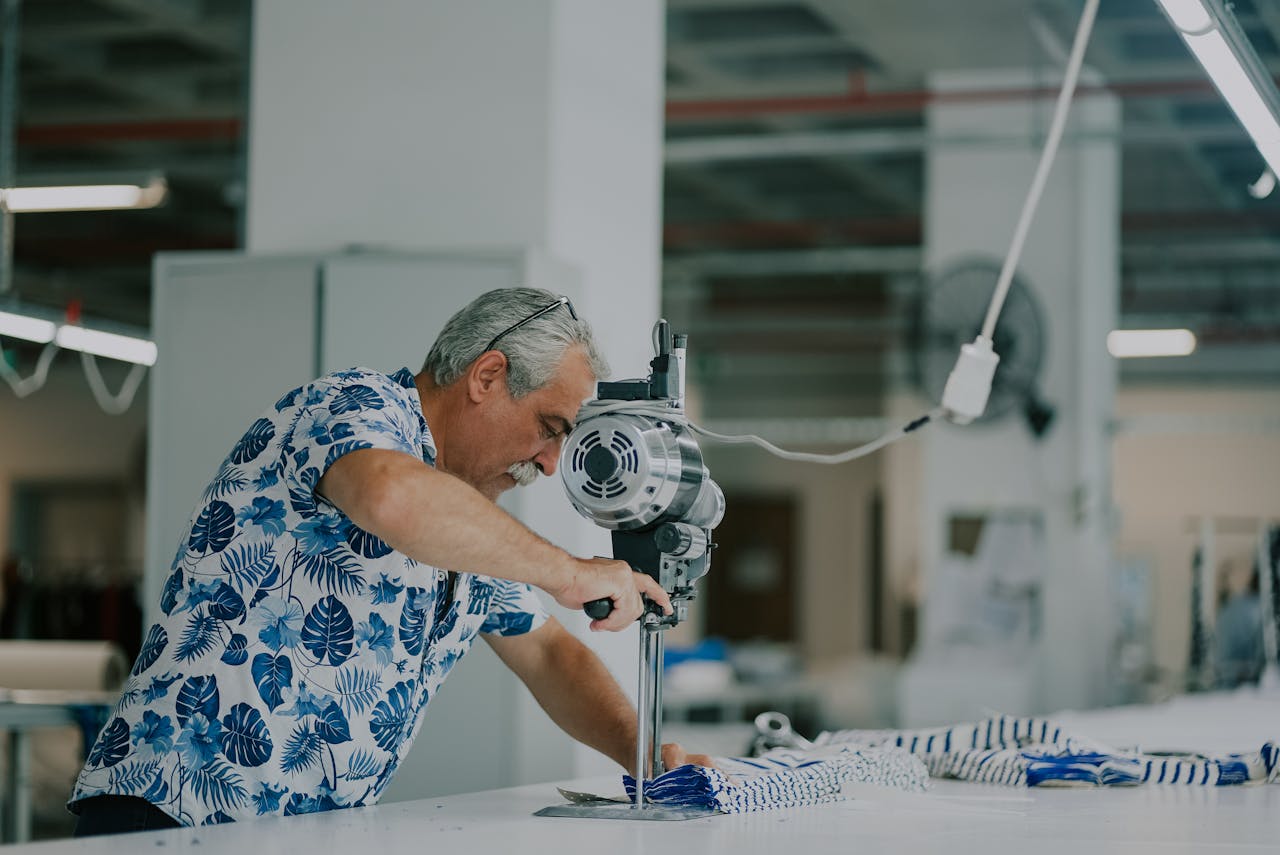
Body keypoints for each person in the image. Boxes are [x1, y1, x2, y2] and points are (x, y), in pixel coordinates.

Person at [69, 288, 711, 835]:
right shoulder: (353, 406)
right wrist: (572, 571)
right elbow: (393, 496)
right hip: (175, 808)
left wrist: (644, 756)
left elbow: (548, 654)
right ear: (486, 378)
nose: (550, 461)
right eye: (549, 426)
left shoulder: (467, 524)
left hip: (297, 833)